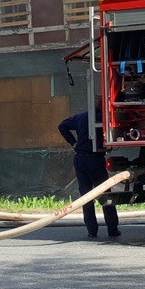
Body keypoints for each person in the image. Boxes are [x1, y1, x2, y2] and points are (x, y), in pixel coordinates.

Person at [58, 103, 120, 240]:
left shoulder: (80, 117)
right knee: (105, 193)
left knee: (86, 196)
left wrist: (73, 143)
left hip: (79, 158)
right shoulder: (103, 118)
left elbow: (62, 126)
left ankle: (92, 230)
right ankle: (112, 229)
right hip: (95, 159)